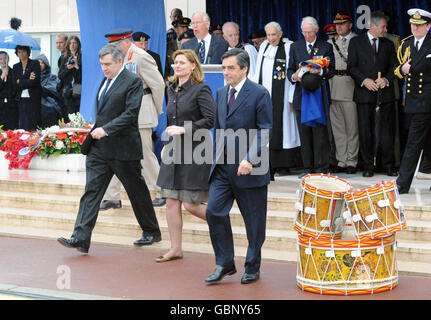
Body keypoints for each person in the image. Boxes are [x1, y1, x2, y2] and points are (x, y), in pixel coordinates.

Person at [57, 43, 162, 253]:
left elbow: (131, 113)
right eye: (102, 64)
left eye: (108, 64)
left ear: (120, 61)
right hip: (100, 149)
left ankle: (151, 231)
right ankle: (80, 237)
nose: (104, 68)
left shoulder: (132, 82)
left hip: (123, 148)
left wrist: (107, 129)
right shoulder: (105, 81)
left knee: (136, 191)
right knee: (92, 192)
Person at [205, 48, 272, 285]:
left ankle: (252, 266)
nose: (225, 72)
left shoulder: (259, 93)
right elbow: (218, 128)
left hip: (251, 169)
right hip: (223, 168)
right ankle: (224, 263)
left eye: (230, 68)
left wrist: (249, 158)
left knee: (254, 223)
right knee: (213, 211)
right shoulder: (221, 93)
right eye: (223, 68)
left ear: (244, 68)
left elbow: (265, 131)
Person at [155, 49, 215, 262]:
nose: (177, 66)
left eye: (182, 62)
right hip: (174, 149)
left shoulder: (201, 89)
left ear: (193, 66)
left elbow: (210, 120)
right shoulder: (171, 89)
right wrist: (167, 144)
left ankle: (219, 221)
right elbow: (172, 121)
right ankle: (175, 249)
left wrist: (183, 130)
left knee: (191, 204)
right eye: (175, 62)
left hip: (196, 150)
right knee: (171, 201)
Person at [100, 29, 166, 211]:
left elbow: (158, 84)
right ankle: (112, 197)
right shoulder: (118, 58)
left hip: (142, 112)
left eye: (115, 45)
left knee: (144, 155)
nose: (113, 49)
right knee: (114, 154)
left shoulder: (140, 56)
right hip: (121, 113)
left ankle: (163, 191)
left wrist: (157, 109)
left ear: (125, 42)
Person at [347, 11, 398, 178]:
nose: (385, 29)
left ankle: (388, 165)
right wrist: (365, 81)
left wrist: (386, 79)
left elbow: (394, 68)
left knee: (386, 132)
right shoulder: (356, 43)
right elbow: (351, 67)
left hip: (385, 94)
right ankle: (368, 165)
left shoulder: (389, 44)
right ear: (373, 26)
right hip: (364, 94)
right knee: (365, 131)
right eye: (383, 26)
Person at [287, 16, 335, 177]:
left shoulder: (325, 46)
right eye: (304, 32)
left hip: (318, 95)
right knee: (305, 133)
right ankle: (308, 168)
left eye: (309, 32)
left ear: (316, 30)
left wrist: (319, 71)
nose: (307, 35)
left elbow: (331, 70)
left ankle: (321, 167)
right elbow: (289, 70)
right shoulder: (295, 46)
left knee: (320, 133)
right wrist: (294, 76)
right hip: (302, 94)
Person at [253, 21, 301, 177]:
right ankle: (269, 164)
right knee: (266, 128)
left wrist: (292, 97)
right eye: (268, 35)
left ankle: (284, 164)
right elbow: (257, 71)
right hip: (265, 96)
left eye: (274, 34)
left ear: (280, 34)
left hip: (283, 96)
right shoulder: (263, 48)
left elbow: (291, 71)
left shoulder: (287, 48)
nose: (271, 38)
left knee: (284, 129)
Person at [394, 8, 431, 194]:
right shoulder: (406, 44)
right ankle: (402, 184)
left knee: (417, 143)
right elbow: (396, 69)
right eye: (413, 25)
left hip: (428, 98)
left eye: (419, 25)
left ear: (428, 26)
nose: (415, 28)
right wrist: (403, 70)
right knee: (414, 143)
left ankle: (402, 182)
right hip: (416, 102)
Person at [328, 13, 359, 174]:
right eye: (337, 24)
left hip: (350, 86)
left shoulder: (358, 41)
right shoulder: (331, 42)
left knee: (352, 127)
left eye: (343, 24)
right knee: (338, 127)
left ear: (350, 25)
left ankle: (352, 160)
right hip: (334, 85)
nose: (339, 27)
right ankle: (341, 160)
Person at [12, 45, 42, 131]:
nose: (21, 54)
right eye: (19, 52)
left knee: (33, 123)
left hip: (33, 98)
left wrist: (20, 81)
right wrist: (27, 78)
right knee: (22, 123)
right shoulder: (16, 66)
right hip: (20, 99)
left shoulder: (35, 63)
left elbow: (34, 82)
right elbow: (14, 84)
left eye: (23, 51)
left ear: (28, 52)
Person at [58, 35, 82, 119]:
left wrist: (77, 67)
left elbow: (83, 77)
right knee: (68, 115)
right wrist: (67, 68)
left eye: (75, 43)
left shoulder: (82, 57)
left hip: (78, 91)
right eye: (71, 43)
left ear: (78, 44)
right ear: (68, 45)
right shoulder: (64, 57)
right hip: (67, 91)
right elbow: (60, 75)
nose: (72, 45)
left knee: (78, 115)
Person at [37, 54, 62, 128]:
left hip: (49, 108)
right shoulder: (31, 77)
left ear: (46, 65)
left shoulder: (53, 77)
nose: (40, 65)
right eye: (38, 63)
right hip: (34, 109)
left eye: (42, 63)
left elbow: (52, 90)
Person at [0, 51, 18, 130]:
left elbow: (16, 88)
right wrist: (2, 76)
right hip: (1, 106)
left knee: (12, 128)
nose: (3, 61)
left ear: (8, 59)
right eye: (0, 59)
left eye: (5, 58)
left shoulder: (14, 71)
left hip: (12, 105)